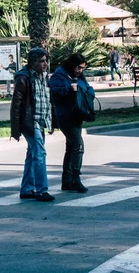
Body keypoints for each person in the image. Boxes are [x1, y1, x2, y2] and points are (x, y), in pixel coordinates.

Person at [10, 47, 55, 202]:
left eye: (46, 61)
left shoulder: (44, 76)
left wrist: (51, 122)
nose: (45, 64)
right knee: (39, 154)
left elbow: (47, 100)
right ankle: (42, 190)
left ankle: (27, 188)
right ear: (32, 62)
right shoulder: (24, 78)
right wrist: (15, 129)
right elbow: (16, 105)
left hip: (41, 120)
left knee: (32, 154)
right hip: (30, 121)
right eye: (41, 61)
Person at [50, 53, 92, 193]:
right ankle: (75, 178)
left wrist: (86, 91)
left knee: (71, 148)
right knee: (78, 146)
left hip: (77, 114)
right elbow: (53, 93)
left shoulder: (79, 77)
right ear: (72, 65)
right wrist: (69, 89)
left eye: (83, 68)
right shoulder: (59, 75)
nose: (81, 71)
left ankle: (67, 180)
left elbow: (88, 88)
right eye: (79, 68)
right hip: (65, 115)